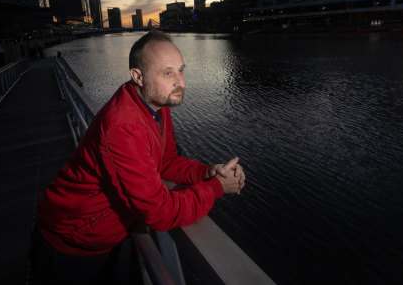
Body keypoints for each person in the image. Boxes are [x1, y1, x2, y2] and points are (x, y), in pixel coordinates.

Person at [30, 30, 245, 284]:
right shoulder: (122, 128)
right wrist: (217, 188)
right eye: (168, 73)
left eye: (181, 70)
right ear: (138, 76)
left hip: (113, 232)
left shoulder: (155, 105)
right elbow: (160, 212)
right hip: (72, 246)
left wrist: (208, 172)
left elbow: (166, 162)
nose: (181, 82)